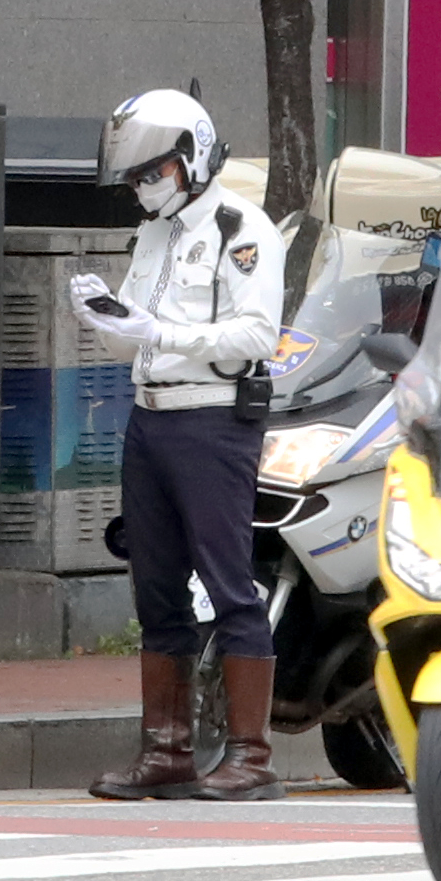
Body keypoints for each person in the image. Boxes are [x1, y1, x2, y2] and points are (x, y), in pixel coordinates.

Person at [70, 89, 286, 801]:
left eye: (151, 172)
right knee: (155, 588)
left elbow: (256, 336)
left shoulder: (240, 229)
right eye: (133, 177)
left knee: (229, 584)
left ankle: (251, 756)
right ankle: (165, 751)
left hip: (213, 420)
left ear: (190, 158)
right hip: (151, 417)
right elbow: (130, 333)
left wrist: (159, 333)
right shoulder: (154, 235)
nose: (141, 188)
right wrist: (103, 316)